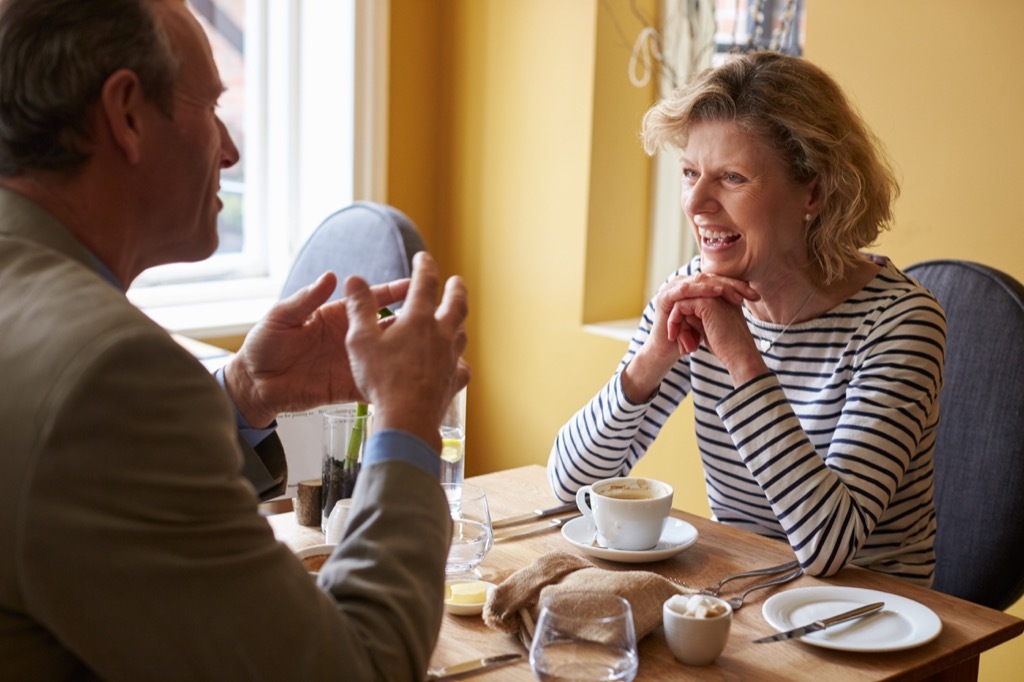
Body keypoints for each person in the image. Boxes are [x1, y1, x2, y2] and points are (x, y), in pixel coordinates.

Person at [0, 0, 468, 679]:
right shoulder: (110, 373)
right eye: (210, 107)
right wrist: (407, 422)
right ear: (127, 113)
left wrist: (242, 395)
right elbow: (354, 670)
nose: (230, 149)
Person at [548, 51, 945, 586]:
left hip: (873, 624)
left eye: (731, 177)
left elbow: (828, 546)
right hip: (743, 598)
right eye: (690, 173)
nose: (695, 202)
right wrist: (650, 361)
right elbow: (570, 483)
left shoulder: (901, 324)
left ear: (814, 192)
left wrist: (741, 358)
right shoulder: (697, 290)